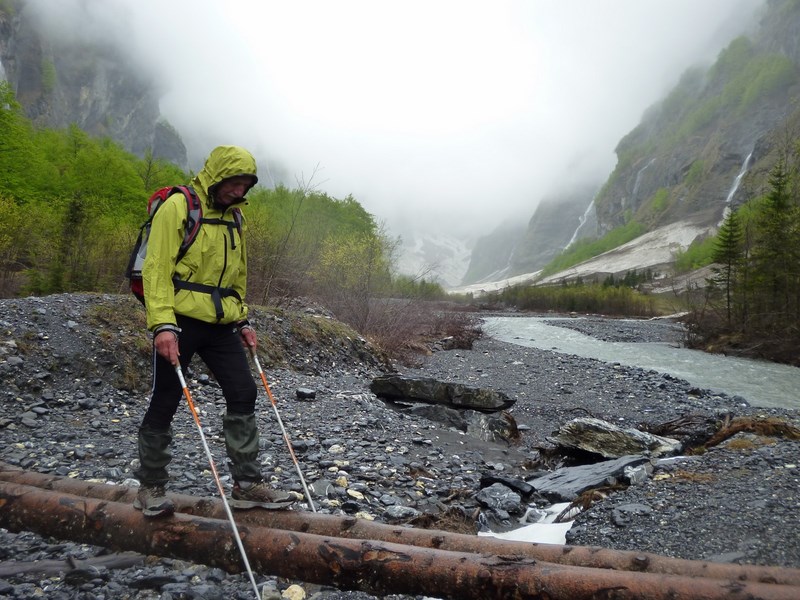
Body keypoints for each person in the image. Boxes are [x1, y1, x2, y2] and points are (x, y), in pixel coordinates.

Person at [133, 145, 297, 517]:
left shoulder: (236, 218)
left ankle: (246, 485)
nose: (239, 192)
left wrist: (243, 320)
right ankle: (150, 486)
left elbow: (237, 276)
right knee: (166, 399)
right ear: (217, 176)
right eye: (234, 183)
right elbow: (156, 269)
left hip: (222, 324)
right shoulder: (179, 206)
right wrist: (161, 325)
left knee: (243, 391)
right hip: (180, 321)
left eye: (245, 186)